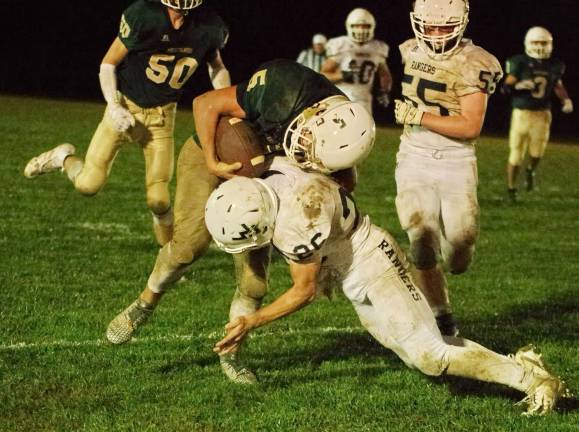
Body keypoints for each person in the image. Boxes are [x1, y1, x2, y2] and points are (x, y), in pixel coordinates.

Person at [205, 160, 569, 415]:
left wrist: (252, 322)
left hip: (372, 262)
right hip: (353, 267)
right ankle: (521, 366)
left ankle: (534, 381)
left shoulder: (295, 222)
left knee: (430, 356)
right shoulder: (276, 171)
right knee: (419, 354)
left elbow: (304, 290)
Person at [105, 59, 375, 385]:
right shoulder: (284, 87)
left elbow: (343, 185)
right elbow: (205, 103)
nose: (311, 162)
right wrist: (212, 160)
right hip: (216, 151)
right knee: (187, 247)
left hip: (264, 182)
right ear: (312, 119)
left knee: (254, 283)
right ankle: (145, 303)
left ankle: (231, 352)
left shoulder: (341, 137)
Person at [23, 0, 231, 246]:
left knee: (159, 199)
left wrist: (224, 102)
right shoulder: (145, 16)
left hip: (162, 119)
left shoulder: (208, 26)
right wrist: (113, 105)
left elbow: (216, 67)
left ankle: (169, 262)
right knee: (88, 185)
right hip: (125, 109)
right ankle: (62, 158)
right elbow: (108, 63)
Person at [392, 0, 502, 336]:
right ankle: (440, 314)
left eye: (444, 27)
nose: (436, 34)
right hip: (414, 154)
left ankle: (458, 257)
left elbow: (471, 126)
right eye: (430, 26)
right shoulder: (409, 49)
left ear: (462, 24)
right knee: (421, 236)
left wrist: (420, 116)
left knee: (460, 240)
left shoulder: (476, 62)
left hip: (456, 160)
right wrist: (416, 123)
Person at [502, 26, 573, 202]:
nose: (540, 46)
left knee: (536, 153)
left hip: (542, 115)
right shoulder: (519, 62)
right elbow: (505, 87)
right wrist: (517, 86)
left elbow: (557, 85)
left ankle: (531, 171)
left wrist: (566, 99)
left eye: (543, 42)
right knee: (516, 154)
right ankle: (511, 190)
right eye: (536, 42)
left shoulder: (555, 65)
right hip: (521, 113)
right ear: (528, 43)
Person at [321, 8, 392, 115]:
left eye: (365, 26)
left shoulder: (377, 48)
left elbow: (384, 75)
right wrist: (342, 76)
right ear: (349, 26)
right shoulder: (340, 45)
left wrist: (384, 91)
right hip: (340, 99)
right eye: (357, 26)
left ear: (372, 27)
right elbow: (322, 74)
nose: (361, 30)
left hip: (364, 101)